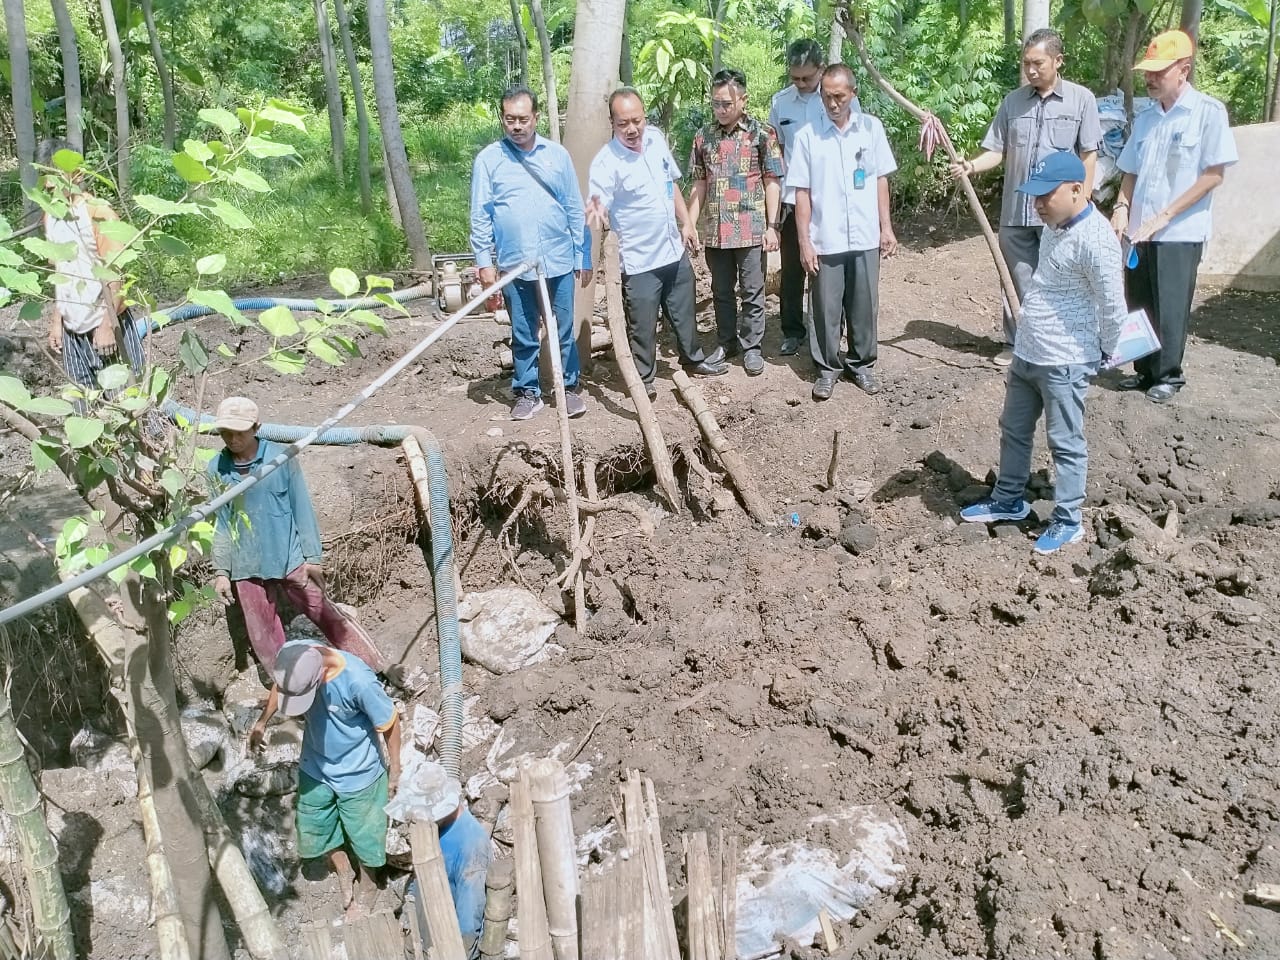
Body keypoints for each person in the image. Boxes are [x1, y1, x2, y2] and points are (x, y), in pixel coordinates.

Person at [959, 152, 1126, 555]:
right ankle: (1008, 499)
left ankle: (1069, 520)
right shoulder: (1054, 224)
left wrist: (1107, 350)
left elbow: (1112, 305)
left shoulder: (1097, 239)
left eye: (1044, 196)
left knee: (1065, 442)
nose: (1037, 204)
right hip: (1030, 351)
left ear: (1076, 189)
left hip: (1065, 360)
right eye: (1034, 196)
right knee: (1014, 428)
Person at [949, 29, 1102, 367]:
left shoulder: (1081, 100)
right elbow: (996, 150)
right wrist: (971, 165)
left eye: (1038, 63)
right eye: (1026, 63)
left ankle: (1059, 345)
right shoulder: (1013, 102)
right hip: (1017, 210)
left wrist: (1084, 200)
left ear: (1057, 61)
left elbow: (1089, 154)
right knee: (1015, 279)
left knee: (1060, 280)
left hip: (1060, 214)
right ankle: (1017, 343)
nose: (1031, 70)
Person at [208, 396, 389, 675]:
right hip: (245, 565)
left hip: (288, 555)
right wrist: (221, 570)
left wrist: (312, 557)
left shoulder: (280, 459)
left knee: (326, 613)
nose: (232, 439)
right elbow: (219, 522)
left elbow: (301, 507)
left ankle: (377, 667)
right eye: (225, 433)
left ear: (256, 427)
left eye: (239, 432)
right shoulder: (216, 469)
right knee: (263, 634)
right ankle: (288, 687)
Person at [1112, 29, 1237, 404]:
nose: (1150, 78)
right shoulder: (1147, 118)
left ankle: (1169, 375)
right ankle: (1144, 370)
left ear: (1183, 69)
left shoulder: (1207, 113)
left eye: (1159, 71)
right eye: (1147, 72)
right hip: (1140, 230)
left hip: (1179, 231)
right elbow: (1130, 170)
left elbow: (1214, 174)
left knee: (1170, 305)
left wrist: (1165, 216)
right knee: (1140, 302)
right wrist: (1121, 207)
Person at [585, 88, 728, 397]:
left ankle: (692, 360)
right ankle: (644, 379)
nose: (632, 129)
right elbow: (597, 204)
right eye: (623, 123)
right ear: (612, 122)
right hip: (639, 261)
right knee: (643, 325)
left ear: (644, 117)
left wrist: (687, 223)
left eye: (637, 120)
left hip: (671, 250)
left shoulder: (656, 140)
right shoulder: (606, 163)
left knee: (684, 311)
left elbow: (670, 184)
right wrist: (596, 214)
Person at [249, 640, 401, 920]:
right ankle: (343, 868)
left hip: (359, 771)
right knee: (313, 821)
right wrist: (262, 721)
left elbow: (390, 722)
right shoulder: (295, 654)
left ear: (319, 676)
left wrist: (395, 771)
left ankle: (368, 887)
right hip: (315, 763)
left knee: (367, 835)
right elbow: (283, 686)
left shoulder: (358, 682)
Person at [470, 85, 591, 422]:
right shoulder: (489, 160)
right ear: (502, 119)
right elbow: (480, 214)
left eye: (524, 119)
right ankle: (527, 391)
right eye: (510, 120)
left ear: (535, 117)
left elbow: (573, 207)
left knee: (562, 329)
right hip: (515, 264)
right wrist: (484, 264)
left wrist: (583, 255)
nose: (518, 126)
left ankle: (566, 388)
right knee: (523, 332)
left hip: (559, 259)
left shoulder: (557, 156)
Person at [786, 64, 898, 401]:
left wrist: (886, 227)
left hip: (864, 235)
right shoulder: (808, 136)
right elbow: (801, 192)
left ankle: (861, 364)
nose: (833, 104)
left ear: (853, 94)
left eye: (839, 97)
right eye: (827, 97)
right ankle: (827, 369)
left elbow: (880, 179)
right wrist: (805, 242)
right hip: (826, 238)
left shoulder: (871, 130)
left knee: (865, 305)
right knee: (825, 307)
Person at [686, 68, 785, 377]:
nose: (721, 109)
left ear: (743, 99)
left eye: (727, 103)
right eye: (716, 103)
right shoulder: (704, 136)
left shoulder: (761, 134)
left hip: (751, 227)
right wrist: (689, 224)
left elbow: (772, 181)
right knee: (721, 291)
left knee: (753, 290)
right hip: (716, 230)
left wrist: (772, 226)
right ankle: (727, 342)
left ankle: (752, 347)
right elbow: (699, 184)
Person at [37, 139, 148, 393]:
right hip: (72, 328)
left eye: (56, 174)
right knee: (83, 402)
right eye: (45, 175)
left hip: (106, 321)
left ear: (77, 174)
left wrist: (108, 326)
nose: (50, 183)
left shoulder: (99, 214)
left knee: (128, 402)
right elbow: (60, 272)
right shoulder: (50, 216)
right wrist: (57, 321)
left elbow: (115, 274)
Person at [768, 39, 830, 357]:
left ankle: (830, 330)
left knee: (828, 268)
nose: (801, 83)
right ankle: (793, 331)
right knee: (792, 270)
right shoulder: (781, 103)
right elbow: (774, 149)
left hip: (829, 199)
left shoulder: (836, 99)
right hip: (793, 199)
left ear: (821, 69)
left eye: (807, 77)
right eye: (795, 78)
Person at [402, 762, 491, 957]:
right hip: (426, 932)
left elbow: (469, 919)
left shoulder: (471, 845)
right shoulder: (437, 829)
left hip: (447, 944)